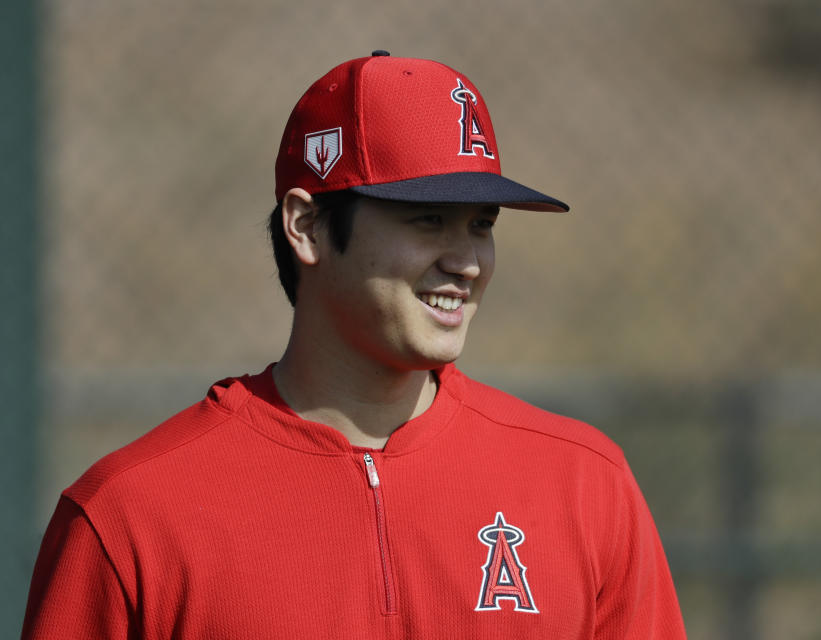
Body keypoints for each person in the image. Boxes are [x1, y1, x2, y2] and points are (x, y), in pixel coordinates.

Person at [22, 51, 686, 639]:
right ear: (306, 226)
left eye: (481, 225)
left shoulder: (583, 485)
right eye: (429, 219)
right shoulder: (132, 515)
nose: (467, 261)